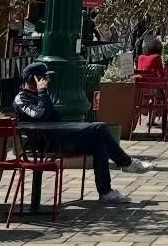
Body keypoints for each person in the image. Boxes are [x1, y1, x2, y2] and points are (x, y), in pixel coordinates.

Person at [13, 65, 152, 203]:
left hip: (58, 135)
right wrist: (42, 91)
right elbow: (39, 115)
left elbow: (53, 118)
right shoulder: (21, 99)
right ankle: (127, 163)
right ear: (33, 79)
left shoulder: (41, 95)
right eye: (44, 77)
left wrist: (42, 93)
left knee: (99, 144)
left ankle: (106, 192)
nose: (47, 80)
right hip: (45, 143)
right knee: (99, 127)